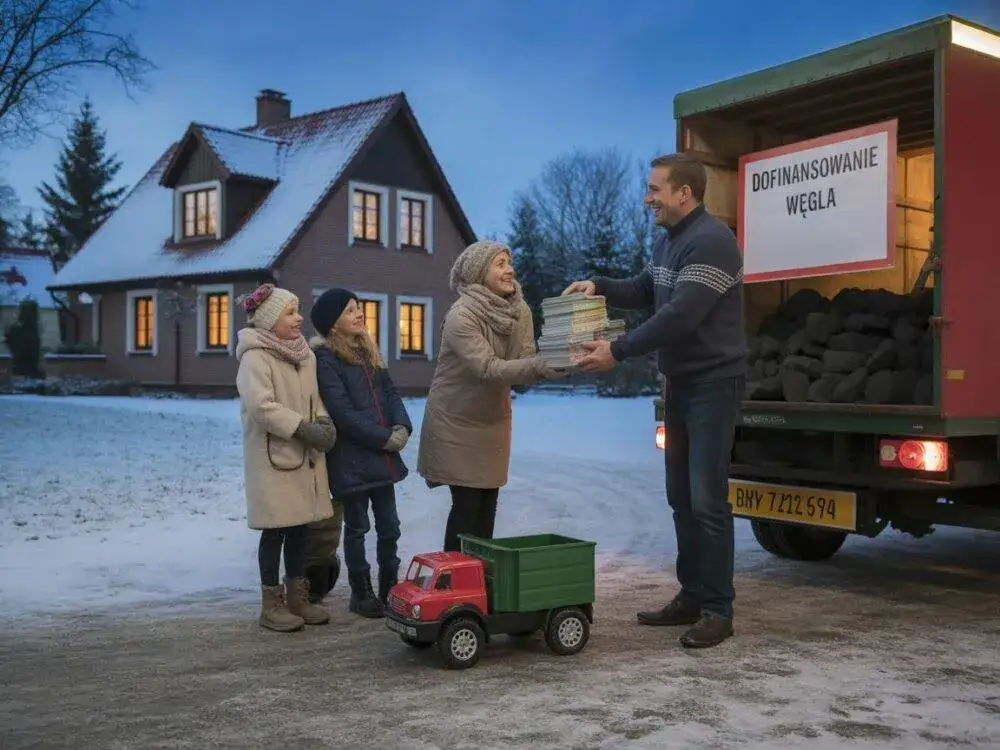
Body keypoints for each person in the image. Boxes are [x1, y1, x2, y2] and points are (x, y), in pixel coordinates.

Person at [567, 153, 748, 649]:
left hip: (713, 384)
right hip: (680, 384)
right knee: (681, 499)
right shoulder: (668, 241)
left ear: (683, 193)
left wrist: (618, 350)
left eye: (654, 189)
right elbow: (648, 290)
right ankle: (692, 595)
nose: (648, 198)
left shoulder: (712, 241)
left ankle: (718, 609)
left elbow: (681, 317)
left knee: (708, 500)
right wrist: (599, 286)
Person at [417, 240, 565, 552]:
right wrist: (539, 366)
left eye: (509, 262)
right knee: (467, 506)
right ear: (478, 272)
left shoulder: (519, 308)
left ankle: (480, 582)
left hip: (492, 421)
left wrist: (561, 359)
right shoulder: (461, 316)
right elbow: (486, 368)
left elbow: (523, 364)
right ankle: (453, 582)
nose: (509, 269)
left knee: (487, 507)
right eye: (499, 264)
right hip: (455, 422)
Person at [235, 283, 338, 633]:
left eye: (297, 311)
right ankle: (271, 604)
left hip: (303, 457)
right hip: (273, 458)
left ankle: (297, 598)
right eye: (290, 313)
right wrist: (301, 429)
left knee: (300, 529)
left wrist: (322, 420)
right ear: (269, 320)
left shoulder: (303, 354)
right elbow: (261, 408)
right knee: (275, 531)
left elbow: (314, 398)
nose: (299, 319)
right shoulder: (255, 357)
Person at [310, 287, 412, 618]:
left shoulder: (368, 352)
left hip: (382, 458)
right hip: (351, 461)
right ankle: (361, 592)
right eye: (349, 310)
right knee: (357, 528)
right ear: (332, 324)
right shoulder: (326, 360)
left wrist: (402, 426)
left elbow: (391, 392)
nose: (359, 313)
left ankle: (389, 587)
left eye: (358, 307)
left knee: (390, 526)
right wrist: (384, 439)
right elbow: (342, 413)